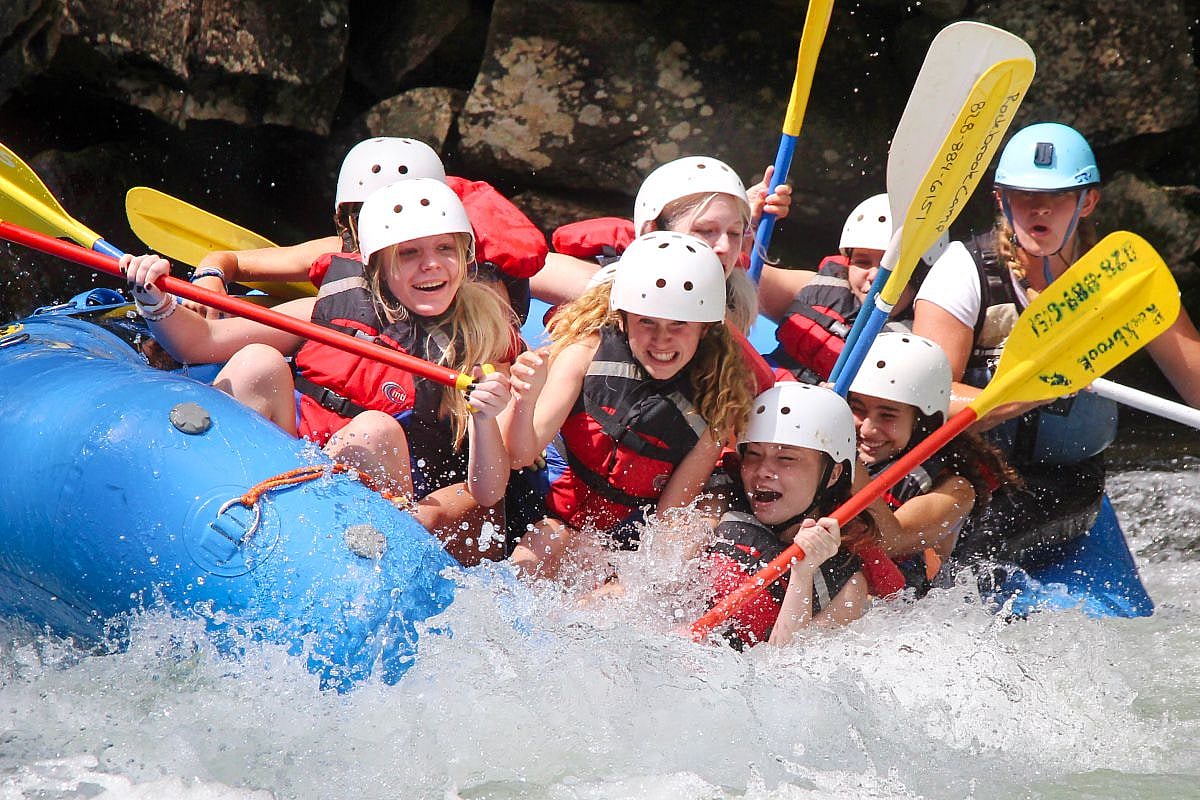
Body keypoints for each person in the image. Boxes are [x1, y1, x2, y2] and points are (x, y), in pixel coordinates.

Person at [121, 179, 518, 564]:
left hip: (377, 508)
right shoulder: (338, 302)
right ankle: (212, 505)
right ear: (378, 263)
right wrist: (153, 299)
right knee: (258, 361)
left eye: (445, 248)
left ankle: (338, 557)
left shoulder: (483, 342)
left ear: (465, 257)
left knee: (373, 430)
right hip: (284, 458)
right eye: (409, 253)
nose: (431, 264)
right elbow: (199, 341)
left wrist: (484, 418)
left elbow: (488, 490)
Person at [912, 121, 1200, 568]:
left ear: (1088, 202)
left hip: (1066, 480)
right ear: (1001, 200)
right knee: (964, 544)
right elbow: (928, 403)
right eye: (1024, 195)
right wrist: (1035, 390)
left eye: (1058, 196)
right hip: (967, 469)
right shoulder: (963, 272)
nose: (1038, 210)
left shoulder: (1122, 285)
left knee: (996, 536)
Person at [504, 231, 754, 580]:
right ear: (622, 319)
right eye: (646, 321)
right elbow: (519, 455)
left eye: (679, 324)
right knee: (548, 541)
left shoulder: (714, 407)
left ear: (705, 329)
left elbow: (669, 518)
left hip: (622, 538)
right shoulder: (583, 354)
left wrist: (623, 579)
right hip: (545, 510)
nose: (661, 339)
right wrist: (524, 402)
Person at [185, 136, 547, 322]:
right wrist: (211, 278)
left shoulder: (474, 285)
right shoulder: (344, 249)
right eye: (363, 214)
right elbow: (228, 260)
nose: (374, 227)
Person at [846, 332, 1021, 594]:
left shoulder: (956, 490)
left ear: (922, 422)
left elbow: (889, 540)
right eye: (857, 408)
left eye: (887, 415)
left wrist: (842, 451)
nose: (868, 429)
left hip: (904, 609)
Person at [703, 383, 871, 647]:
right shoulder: (720, 501)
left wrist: (802, 573)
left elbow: (782, 670)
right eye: (754, 454)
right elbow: (663, 572)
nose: (763, 471)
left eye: (787, 459)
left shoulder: (847, 585)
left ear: (833, 474)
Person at [771, 194, 947, 383]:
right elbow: (743, 275)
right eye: (862, 262)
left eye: (893, 265)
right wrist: (748, 221)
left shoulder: (935, 335)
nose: (874, 276)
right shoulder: (825, 288)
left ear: (920, 274)